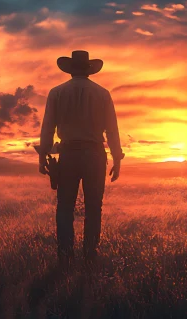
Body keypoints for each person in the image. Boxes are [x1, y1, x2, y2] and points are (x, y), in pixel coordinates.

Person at [38, 50, 124, 267]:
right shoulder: (103, 94)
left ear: (69, 70)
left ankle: (65, 257)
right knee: (94, 208)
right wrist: (117, 158)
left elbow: (47, 128)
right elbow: (112, 130)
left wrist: (43, 157)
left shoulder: (56, 93)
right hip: (95, 155)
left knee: (65, 207)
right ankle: (90, 256)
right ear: (88, 70)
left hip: (68, 154)